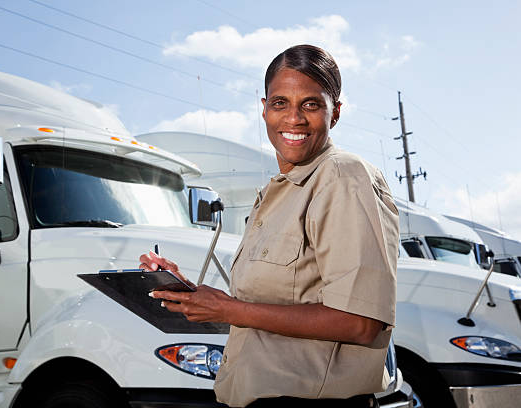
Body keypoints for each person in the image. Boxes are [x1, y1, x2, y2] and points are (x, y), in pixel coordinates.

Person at [139, 44, 399, 408]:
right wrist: (191, 294)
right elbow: (266, 310)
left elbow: (360, 322)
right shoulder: (276, 193)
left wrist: (230, 310)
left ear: (335, 112)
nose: (293, 119)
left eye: (311, 104)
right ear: (264, 109)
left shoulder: (342, 176)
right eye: (280, 103)